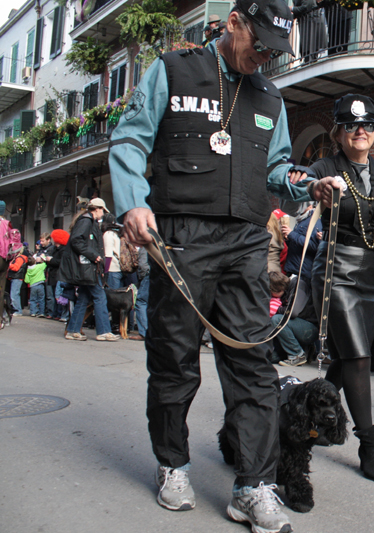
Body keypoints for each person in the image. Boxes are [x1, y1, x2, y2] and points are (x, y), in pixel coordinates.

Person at [107, 1, 327, 530]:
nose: (267, 59)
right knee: (175, 361)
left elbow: (276, 168)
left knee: (253, 366)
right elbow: (132, 138)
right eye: (261, 46)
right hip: (181, 237)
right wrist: (134, 202)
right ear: (234, 24)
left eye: (277, 51)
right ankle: (172, 464)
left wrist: (302, 184)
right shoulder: (173, 69)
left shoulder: (271, 96)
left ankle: (253, 485)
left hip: (247, 241)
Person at [307, 94, 374, 484]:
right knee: (358, 358)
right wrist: (316, 185)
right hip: (336, 270)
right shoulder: (327, 165)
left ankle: (310, 420)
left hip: (371, 274)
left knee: (346, 358)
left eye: (367, 125)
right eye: (352, 126)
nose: (360, 132)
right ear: (339, 132)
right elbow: (300, 183)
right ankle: (369, 443)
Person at [60, 198, 119, 342]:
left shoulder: (86, 220)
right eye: (102, 211)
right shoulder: (86, 221)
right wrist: (95, 256)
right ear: (97, 209)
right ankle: (104, 331)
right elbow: (76, 241)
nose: (103, 214)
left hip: (85, 267)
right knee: (100, 297)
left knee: (84, 298)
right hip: (88, 267)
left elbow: (77, 241)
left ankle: (73, 330)